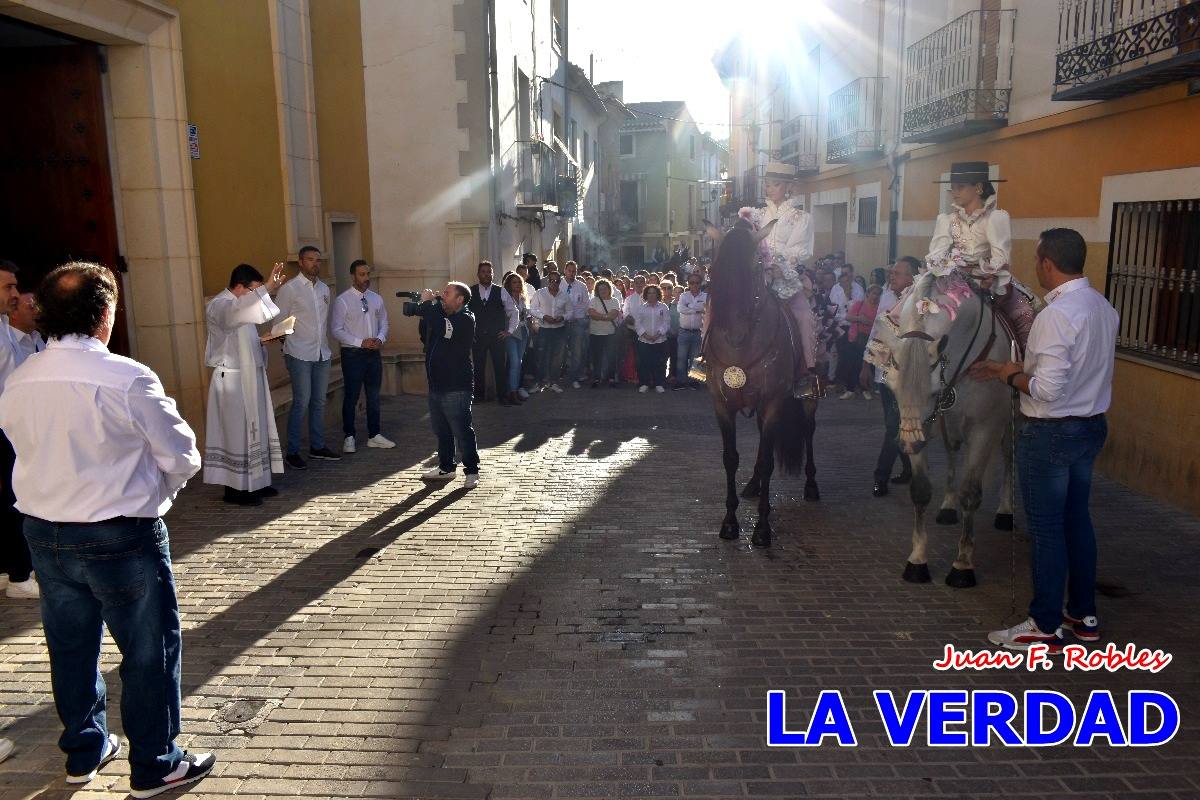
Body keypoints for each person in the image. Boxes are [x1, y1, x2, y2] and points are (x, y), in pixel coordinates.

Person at [0, 262, 216, 797]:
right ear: (105, 315)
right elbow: (184, 455)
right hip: (119, 534)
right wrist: (154, 496)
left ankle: (85, 747)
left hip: (46, 534)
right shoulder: (126, 376)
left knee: (70, 647)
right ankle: (156, 762)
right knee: (148, 650)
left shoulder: (19, 378)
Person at [969, 229, 1117, 651]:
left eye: (1036, 261)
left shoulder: (1056, 315)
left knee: (1047, 531)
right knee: (1077, 523)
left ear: (1047, 264)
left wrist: (1006, 374)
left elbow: (1047, 388)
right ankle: (1083, 616)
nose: (1035, 268)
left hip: (1052, 432)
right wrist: (1010, 366)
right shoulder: (1102, 307)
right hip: (1090, 426)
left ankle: (1046, 624)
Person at [203, 263, 288, 505]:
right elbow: (233, 317)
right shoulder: (219, 305)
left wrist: (263, 341)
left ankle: (257, 483)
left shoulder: (239, 305)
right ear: (239, 287)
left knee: (255, 428)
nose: (256, 296)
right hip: (231, 380)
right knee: (236, 434)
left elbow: (242, 330)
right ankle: (235, 491)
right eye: (254, 290)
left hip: (250, 377)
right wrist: (269, 288)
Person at [927, 160, 1035, 346]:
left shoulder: (995, 218)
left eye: (960, 187)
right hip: (952, 280)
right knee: (914, 305)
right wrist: (947, 268)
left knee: (1024, 313)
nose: (955, 192)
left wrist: (988, 274)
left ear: (978, 188)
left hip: (988, 281)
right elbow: (936, 255)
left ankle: (1023, 362)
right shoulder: (947, 220)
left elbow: (1001, 257)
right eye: (953, 188)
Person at [274, 245, 340, 468]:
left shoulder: (323, 289)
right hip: (299, 353)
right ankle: (292, 451)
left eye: (318, 260)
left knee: (319, 401)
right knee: (301, 401)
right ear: (301, 262)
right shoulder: (289, 289)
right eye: (310, 259)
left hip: (321, 352)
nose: (315, 263)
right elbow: (279, 324)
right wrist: (288, 347)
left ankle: (317, 447)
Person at [413, 283, 480, 488]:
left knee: (461, 429)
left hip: (457, 386)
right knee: (441, 430)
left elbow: (444, 329)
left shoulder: (465, 318)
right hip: (437, 384)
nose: (442, 295)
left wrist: (428, 304)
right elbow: (427, 334)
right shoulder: (445, 316)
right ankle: (446, 467)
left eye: (448, 293)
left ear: (460, 299)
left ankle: (471, 471)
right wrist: (426, 310)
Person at [862, 256, 917, 497]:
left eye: (898, 273)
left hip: (903, 375)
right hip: (883, 372)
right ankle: (908, 469)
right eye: (892, 272)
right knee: (893, 425)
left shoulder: (918, 303)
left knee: (894, 426)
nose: (891, 276)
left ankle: (880, 477)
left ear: (912, 278)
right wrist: (865, 364)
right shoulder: (885, 297)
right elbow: (876, 330)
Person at [0, 260, 36, 599]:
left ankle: (12, 568)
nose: (15, 293)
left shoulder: (6, 331)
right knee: (13, 500)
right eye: (8, 287)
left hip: (10, 427)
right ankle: (19, 577)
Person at [332, 259, 394, 451]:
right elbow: (336, 330)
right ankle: (349, 436)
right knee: (351, 395)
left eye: (368, 274)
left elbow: (384, 322)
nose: (366, 278)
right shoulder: (343, 300)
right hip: (353, 354)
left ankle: (374, 435)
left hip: (373, 354)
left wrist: (380, 338)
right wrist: (361, 342)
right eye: (362, 274)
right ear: (353, 276)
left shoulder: (376, 298)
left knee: (374, 396)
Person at [468, 260, 511, 404]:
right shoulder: (470, 291)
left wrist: (509, 331)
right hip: (477, 337)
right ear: (478, 274)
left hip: (497, 336)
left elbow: (513, 312)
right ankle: (479, 396)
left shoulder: (501, 291)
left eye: (489, 272)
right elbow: (464, 313)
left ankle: (502, 396)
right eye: (483, 272)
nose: (486, 274)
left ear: (493, 274)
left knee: (500, 367)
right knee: (478, 367)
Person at [837, 284, 882, 399]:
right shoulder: (859, 304)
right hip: (855, 338)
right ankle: (850, 389)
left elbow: (881, 324)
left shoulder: (880, 307)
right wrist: (860, 319)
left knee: (866, 365)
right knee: (852, 363)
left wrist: (869, 322)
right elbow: (848, 317)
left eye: (878, 294)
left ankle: (865, 389)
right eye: (874, 293)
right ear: (868, 293)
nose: (875, 296)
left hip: (870, 339)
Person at [529, 269, 569, 393]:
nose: (553, 283)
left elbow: (571, 312)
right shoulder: (539, 293)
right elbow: (532, 309)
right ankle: (539, 383)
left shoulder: (565, 295)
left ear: (560, 282)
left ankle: (554, 382)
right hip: (544, 329)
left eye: (556, 281)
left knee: (557, 358)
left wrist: (563, 317)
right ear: (547, 281)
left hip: (559, 329)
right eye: (551, 280)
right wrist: (544, 316)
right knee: (541, 357)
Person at [631, 284, 670, 393]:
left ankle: (659, 383)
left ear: (658, 294)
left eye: (654, 293)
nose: (651, 295)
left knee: (660, 362)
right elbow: (637, 324)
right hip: (644, 340)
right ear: (646, 294)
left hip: (660, 340)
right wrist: (646, 335)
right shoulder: (641, 308)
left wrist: (658, 334)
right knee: (643, 362)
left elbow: (666, 323)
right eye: (649, 293)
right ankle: (644, 383)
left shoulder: (663, 307)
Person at [560, 260, 591, 388]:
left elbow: (586, 304)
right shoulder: (558, 284)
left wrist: (580, 319)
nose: (572, 273)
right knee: (559, 352)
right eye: (569, 271)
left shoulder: (581, 286)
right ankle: (555, 378)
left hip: (577, 323)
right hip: (560, 322)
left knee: (577, 351)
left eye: (574, 271)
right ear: (565, 271)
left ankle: (574, 378)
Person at [501, 271, 530, 403]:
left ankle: (515, 389)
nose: (517, 284)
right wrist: (507, 331)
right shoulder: (506, 298)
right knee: (514, 362)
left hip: (523, 331)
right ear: (509, 284)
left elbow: (526, 315)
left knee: (519, 362)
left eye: (519, 282)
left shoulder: (523, 298)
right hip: (511, 333)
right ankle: (511, 392)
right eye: (514, 282)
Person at [587, 277, 622, 387]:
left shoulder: (614, 301)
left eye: (605, 289)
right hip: (595, 333)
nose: (603, 291)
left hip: (610, 334)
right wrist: (605, 316)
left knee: (611, 356)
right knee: (596, 357)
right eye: (600, 289)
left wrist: (599, 316)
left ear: (609, 289)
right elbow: (591, 314)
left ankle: (611, 377)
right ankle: (597, 377)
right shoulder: (593, 300)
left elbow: (614, 315)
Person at [675, 271, 706, 389]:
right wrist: (697, 309)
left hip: (699, 332)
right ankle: (681, 382)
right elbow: (680, 309)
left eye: (697, 283)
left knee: (697, 357)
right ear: (688, 284)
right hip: (684, 331)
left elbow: (706, 310)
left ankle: (695, 382)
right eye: (691, 283)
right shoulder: (684, 296)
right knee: (681, 357)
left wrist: (689, 307)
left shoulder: (706, 296)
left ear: (700, 283)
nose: (694, 285)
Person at [8, 291, 45, 357]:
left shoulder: (37, 337)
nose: (38, 311)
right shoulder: (5, 344)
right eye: (31, 307)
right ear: (13, 313)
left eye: (38, 306)